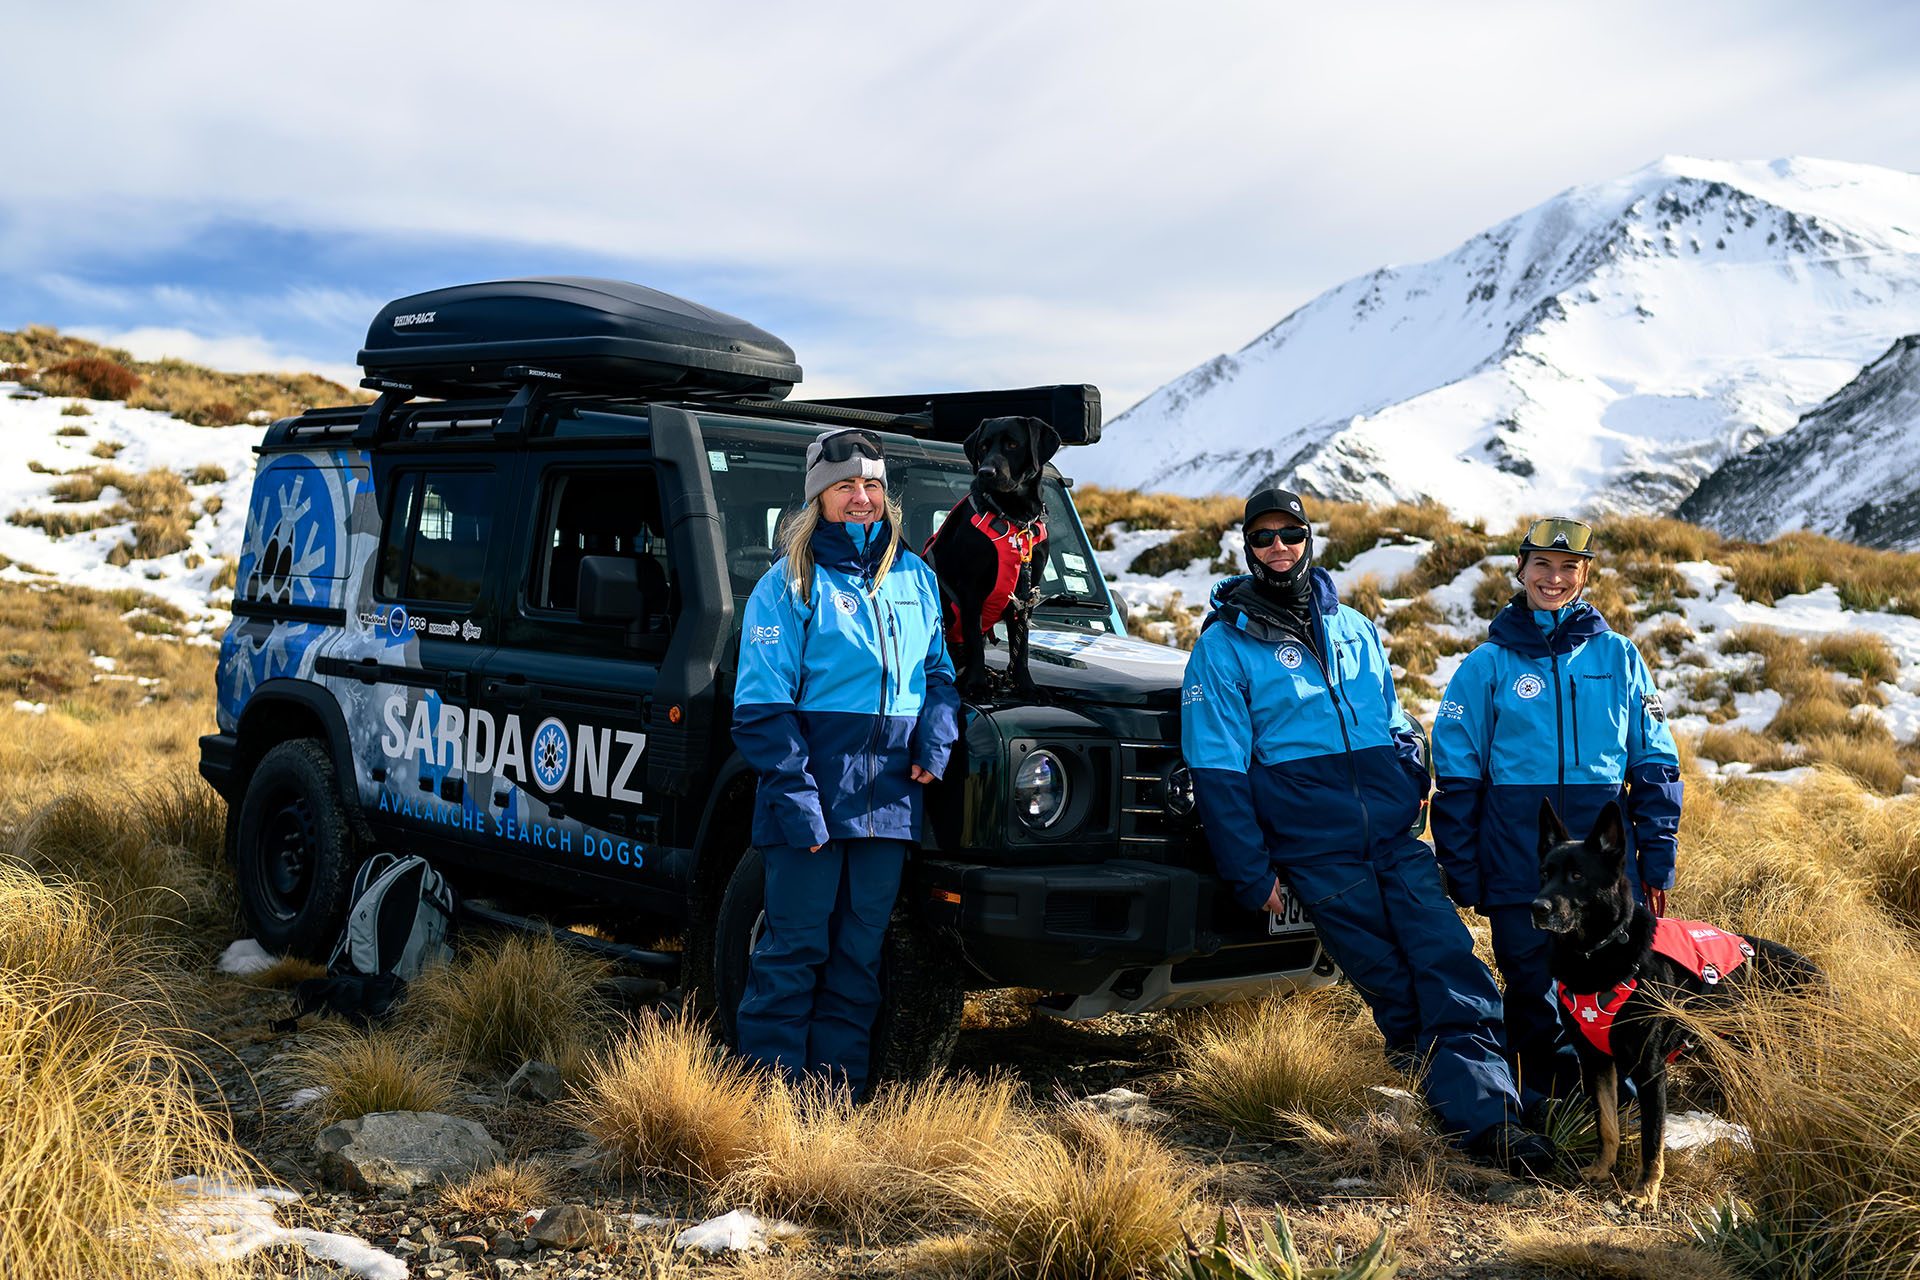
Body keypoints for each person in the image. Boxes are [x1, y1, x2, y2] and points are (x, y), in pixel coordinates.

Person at [1181, 487, 1556, 1176]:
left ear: (1308, 539)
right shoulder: (1224, 647)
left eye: (1290, 534)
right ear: (1247, 548)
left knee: (1449, 962)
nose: (1278, 549)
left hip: (1393, 839)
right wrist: (1253, 874)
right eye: (1263, 538)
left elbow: (1393, 718)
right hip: (1318, 856)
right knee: (1395, 987)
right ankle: (1477, 1118)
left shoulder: (1352, 626)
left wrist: (1412, 776)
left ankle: (1489, 1120)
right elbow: (1219, 773)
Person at [731, 428, 961, 1096]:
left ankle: (833, 1110)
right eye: (844, 486)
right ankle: (770, 1109)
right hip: (808, 797)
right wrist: (799, 803)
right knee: (793, 953)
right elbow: (761, 710)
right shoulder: (787, 586)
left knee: (859, 960)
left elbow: (939, 677)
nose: (860, 498)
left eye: (871, 486)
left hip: (887, 801)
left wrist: (934, 742)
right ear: (818, 497)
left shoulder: (916, 578)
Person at [1430, 516, 1683, 1105]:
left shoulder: (1620, 658)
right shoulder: (1485, 666)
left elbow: (1655, 764)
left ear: (1586, 575)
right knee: (1529, 988)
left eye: (1569, 567)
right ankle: (1536, 1105)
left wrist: (1657, 861)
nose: (1554, 577)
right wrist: (1464, 867)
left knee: (1615, 991)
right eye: (1541, 564)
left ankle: (1605, 1111)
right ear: (1520, 571)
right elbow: (1458, 779)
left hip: (1603, 879)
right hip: (1521, 867)